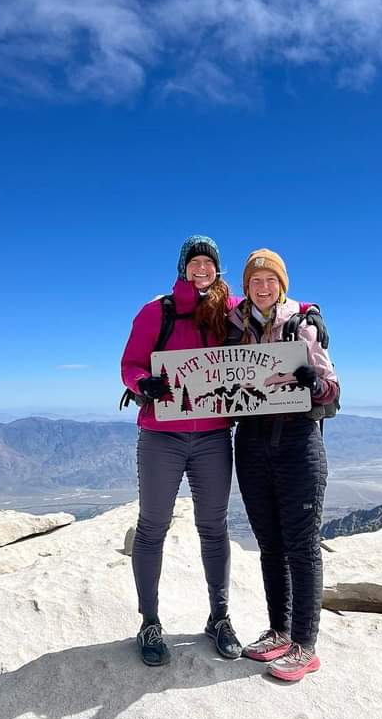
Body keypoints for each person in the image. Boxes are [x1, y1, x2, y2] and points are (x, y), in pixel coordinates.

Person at [120, 235, 243, 666]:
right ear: (183, 267)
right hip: (162, 436)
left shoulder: (230, 309)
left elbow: (272, 303)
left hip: (213, 436)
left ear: (218, 268)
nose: (202, 269)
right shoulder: (158, 311)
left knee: (214, 527)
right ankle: (150, 622)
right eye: (194, 262)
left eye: (209, 262)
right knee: (152, 526)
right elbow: (131, 364)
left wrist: (308, 311)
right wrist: (143, 383)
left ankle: (219, 617)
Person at [226, 248, 339, 682]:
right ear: (246, 287)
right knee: (270, 543)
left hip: (297, 440)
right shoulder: (234, 326)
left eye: (271, 279)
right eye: (255, 280)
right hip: (251, 441)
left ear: (282, 284)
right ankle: (280, 630)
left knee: (302, 545)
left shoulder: (302, 324)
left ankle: (305, 646)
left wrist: (314, 381)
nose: (263, 287)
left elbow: (332, 388)